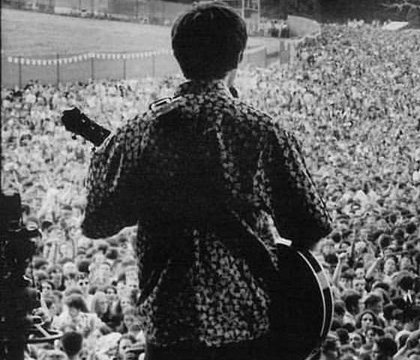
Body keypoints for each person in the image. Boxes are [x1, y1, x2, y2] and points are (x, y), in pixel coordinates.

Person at [81, 2, 332, 359]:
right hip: (249, 324)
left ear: (178, 54)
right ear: (239, 56)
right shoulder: (262, 132)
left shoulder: (135, 134)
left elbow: (96, 222)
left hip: (169, 327)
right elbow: (311, 223)